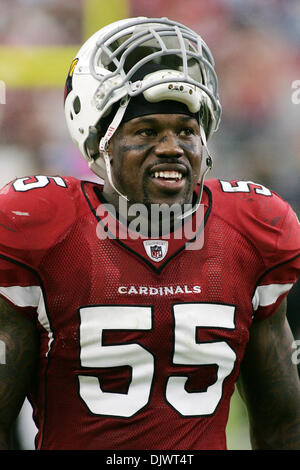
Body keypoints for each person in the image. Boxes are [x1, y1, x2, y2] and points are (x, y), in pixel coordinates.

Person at [0, 16, 299, 451]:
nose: (172, 147)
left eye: (186, 131)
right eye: (147, 131)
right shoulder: (42, 231)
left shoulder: (251, 229)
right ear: (99, 141)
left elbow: (284, 427)